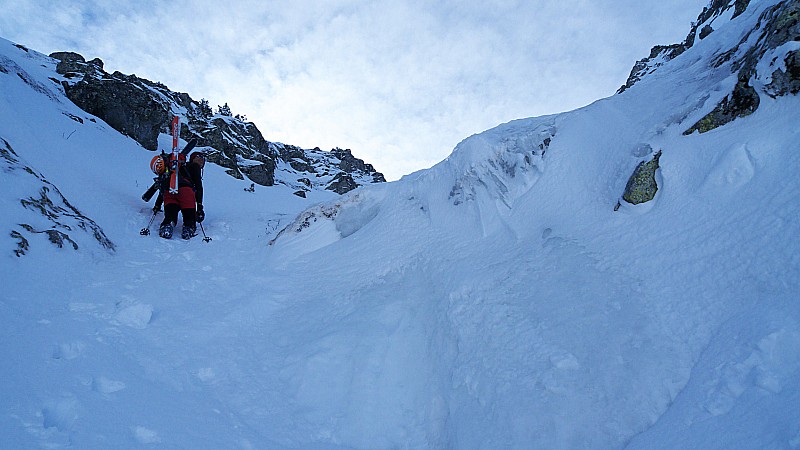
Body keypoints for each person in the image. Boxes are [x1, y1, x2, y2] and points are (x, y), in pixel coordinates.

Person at [158, 151, 205, 239]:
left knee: (170, 214)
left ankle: (167, 225)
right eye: (199, 157)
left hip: (170, 191)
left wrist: (157, 205)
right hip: (186, 192)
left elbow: (163, 186)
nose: (201, 160)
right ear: (193, 159)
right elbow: (199, 187)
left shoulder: (177, 166)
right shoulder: (195, 167)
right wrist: (199, 207)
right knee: (189, 216)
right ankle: (188, 228)